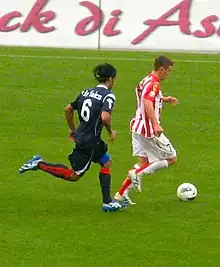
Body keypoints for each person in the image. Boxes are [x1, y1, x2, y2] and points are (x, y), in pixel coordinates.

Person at [19, 63, 125, 212]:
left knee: (106, 162)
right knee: (73, 176)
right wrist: (110, 131)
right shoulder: (108, 95)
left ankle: (107, 202)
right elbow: (105, 117)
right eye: (114, 79)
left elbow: (68, 109)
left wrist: (73, 129)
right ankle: (39, 164)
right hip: (89, 142)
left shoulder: (85, 92)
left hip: (87, 138)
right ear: (110, 79)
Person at [114, 56, 179, 205]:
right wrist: (155, 124)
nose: (168, 74)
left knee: (143, 161)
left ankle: (120, 195)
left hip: (137, 127)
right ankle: (137, 174)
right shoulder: (154, 84)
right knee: (171, 158)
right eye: (168, 71)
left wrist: (164, 99)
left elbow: (146, 95)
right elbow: (147, 100)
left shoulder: (146, 80)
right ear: (161, 69)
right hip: (148, 129)